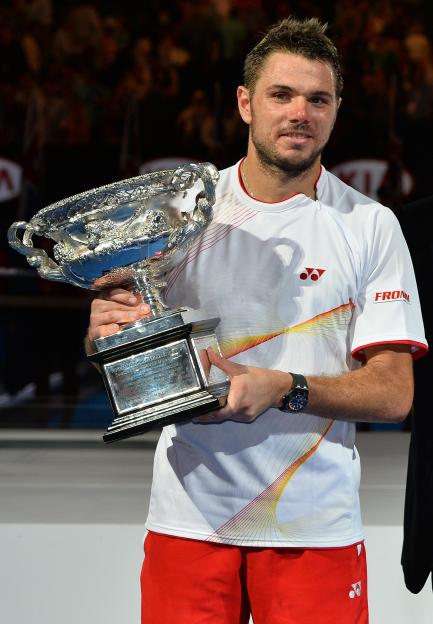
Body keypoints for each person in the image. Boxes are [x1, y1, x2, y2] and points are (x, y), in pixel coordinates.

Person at [86, 17, 427, 624]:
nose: (300, 113)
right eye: (281, 95)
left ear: (336, 110)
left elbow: (395, 393)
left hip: (313, 529)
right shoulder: (177, 220)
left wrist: (283, 390)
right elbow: (127, 349)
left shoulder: (370, 225)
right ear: (245, 103)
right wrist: (111, 332)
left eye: (318, 99)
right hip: (187, 521)